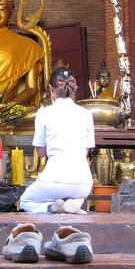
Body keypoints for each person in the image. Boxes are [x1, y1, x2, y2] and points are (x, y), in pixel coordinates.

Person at [20, 67, 95, 214]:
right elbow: (85, 152)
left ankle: (53, 207)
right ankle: (71, 204)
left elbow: (41, 153)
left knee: (25, 201)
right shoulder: (86, 114)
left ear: (50, 89)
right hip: (83, 184)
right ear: (73, 89)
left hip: (54, 180)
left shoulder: (43, 113)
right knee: (69, 190)